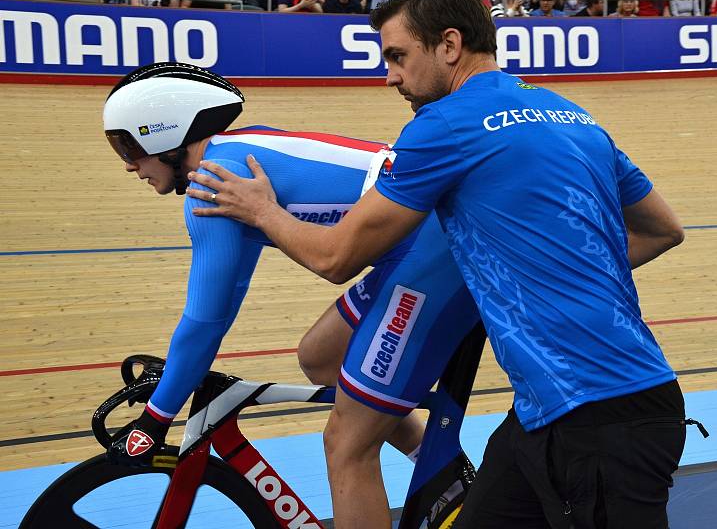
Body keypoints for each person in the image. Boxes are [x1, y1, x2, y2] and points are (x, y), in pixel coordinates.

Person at [187, 0, 693, 529]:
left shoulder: (444, 124)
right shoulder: (571, 115)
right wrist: (533, 277)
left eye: (399, 57)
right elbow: (663, 228)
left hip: (600, 420)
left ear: (449, 46)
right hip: (554, 410)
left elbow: (334, 259)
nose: (391, 76)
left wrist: (263, 212)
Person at [103, 61, 480, 529]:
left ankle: (440, 472)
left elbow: (205, 323)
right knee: (320, 357)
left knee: (346, 445)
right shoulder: (230, 161)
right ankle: (444, 469)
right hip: (421, 243)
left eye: (129, 145)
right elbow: (217, 314)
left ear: (166, 134)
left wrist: (156, 419)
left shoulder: (213, 184)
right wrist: (170, 392)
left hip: (432, 251)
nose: (127, 163)